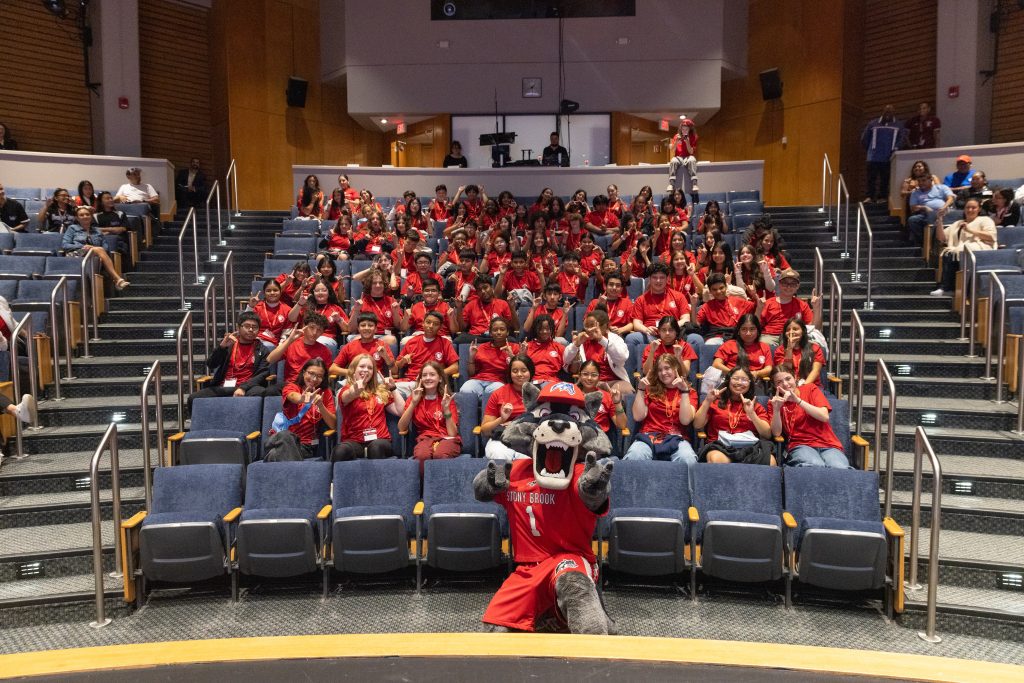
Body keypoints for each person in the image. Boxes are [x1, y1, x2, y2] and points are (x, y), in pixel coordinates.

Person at [623, 354, 698, 465]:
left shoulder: (689, 392)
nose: (663, 373)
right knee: (634, 455)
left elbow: (685, 420)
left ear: (676, 368)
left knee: (688, 459)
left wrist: (684, 392)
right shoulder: (650, 389)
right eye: (659, 370)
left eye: (667, 368)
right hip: (649, 435)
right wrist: (641, 389)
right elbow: (638, 416)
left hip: (677, 438)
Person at [769, 364, 850, 468]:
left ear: (795, 378)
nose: (785, 384)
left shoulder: (810, 389)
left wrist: (798, 401)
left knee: (839, 467)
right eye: (779, 382)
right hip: (800, 445)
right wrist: (776, 409)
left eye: (788, 379)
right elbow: (776, 433)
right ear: (775, 386)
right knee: (814, 465)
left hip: (828, 444)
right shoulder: (775, 401)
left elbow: (824, 416)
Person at [692, 366, 774, 465]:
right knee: (716, 459)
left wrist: (752, 414)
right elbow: (697, 424)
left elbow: (767, 434)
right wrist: (707, 401)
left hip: (749, 448)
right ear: (728, 381)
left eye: (744, 380)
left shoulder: (755, 406)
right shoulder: (715, 402)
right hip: (721, 447)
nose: (739, 382)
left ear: (750, 384)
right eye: (735, 379)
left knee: (771, 461)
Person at [189, 312, 271, 409]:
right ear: (238, 327)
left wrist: (243, 388)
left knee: (260, 393)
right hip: (224, 386)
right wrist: (221, 348)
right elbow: (211, 364)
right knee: (193, 398)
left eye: (255, 327)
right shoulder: (229, 345)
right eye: (247, 326)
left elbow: (263, 373)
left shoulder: (262, 350)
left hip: (248, 387)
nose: (251, 330)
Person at [334, 354, 405, 461]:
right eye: (362, 366)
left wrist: (393, 388)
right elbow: (348, 396)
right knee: (340, 451)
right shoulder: (345, 390)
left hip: (380, 440)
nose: (366, 370)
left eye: (370, 368)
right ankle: (334, 478)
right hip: (354, 441)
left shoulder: (380, 391)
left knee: (375, 448)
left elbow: (401, 411)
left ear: (373, 373)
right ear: (353, 369)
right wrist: (356, 391)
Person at [398, 361, 461, 471]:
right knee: (422, 456)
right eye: (424, 375)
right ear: (420, 379)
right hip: (425, 439)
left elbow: (452, 433)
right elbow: (401, 427)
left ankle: (439, 487)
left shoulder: (446, 399)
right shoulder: (414, 398)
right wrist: (413, 403)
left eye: (432, 374)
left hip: (447, 439)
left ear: (440, 378)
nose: (428, 378)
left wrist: (446, 409)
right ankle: (423, 487)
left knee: (440, 455)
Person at [930, 198, 997, 297]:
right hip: (960, 250)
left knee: (954, 252)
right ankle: (946, 287)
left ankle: (947, 287)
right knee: (950, 252)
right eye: (968, 207)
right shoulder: (958, 223)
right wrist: (939, 221)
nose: (970, 210)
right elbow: (941, 238)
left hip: (979, 249)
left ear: (979, 209)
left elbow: (991, 237)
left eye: (973, 208)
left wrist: (970, 230)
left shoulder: (985, 220)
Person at [564, 309, 632, 396]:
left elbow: (622, 358)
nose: (589, 330)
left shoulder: (615, 339)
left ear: (605, 327)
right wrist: (576, 344)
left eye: (593, 326)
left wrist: (601, 339)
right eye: (587, 326)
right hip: (589, 381)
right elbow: (566, 360)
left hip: (613, 381)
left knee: (627, 391)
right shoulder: (582, 340)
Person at [263, 312, 334, 394]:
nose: (314, 332)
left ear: (322, 333)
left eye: (319, 330)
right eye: (311, 327)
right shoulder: (291, 344)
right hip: (291, 384)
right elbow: (269, 359)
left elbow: (325, 376)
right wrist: (289, 340)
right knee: (270, 391)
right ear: (304, 327)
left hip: (312, 385)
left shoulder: (325, 351)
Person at [62, 206, 131, 289]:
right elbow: (65, 245)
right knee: (99, 250)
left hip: (95, 255)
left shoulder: (97, 231)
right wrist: (83, 246)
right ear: (77, 218)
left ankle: (115, 280)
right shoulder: (72, 228)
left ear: (91, 217)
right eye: (81, 215)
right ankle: (117, 279)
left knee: (99, 250)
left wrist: (92, 248)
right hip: (76, 254)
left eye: (87, 214)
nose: (85, 216)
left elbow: (105, 247)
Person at [392, 311, 459, 395]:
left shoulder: (445, 343)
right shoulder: (412, 342)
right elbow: (397, 366)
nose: (431, 326)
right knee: (385, 387)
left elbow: (455, 367)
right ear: (423, 323)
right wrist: (403, 361)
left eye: (435, 324)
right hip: (411, 381)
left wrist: (435, 373)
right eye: (428, 322)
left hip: (431, 382)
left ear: (440, 327)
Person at [482, 355, 535, 460]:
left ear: (531, 372)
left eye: (524, 370)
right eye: (515, 371)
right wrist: (501, 419)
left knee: (529, 459)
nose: (519, 374)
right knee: (499, 455)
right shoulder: (499, 393)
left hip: (528, 438)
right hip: (502, 438)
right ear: (510, 374)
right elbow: (485, 430)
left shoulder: (539, 394)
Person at [280, 359, 336, 459]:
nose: (314, 379)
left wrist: (321, 406)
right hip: (288, 440)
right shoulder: (292, 387)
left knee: (276, 453)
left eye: (319, 376)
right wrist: (301, 399)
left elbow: (333, 425)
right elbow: (292, 396)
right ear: (303, 372)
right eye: (311, 373)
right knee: (285, 438)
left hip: (307, 445)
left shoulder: (325, 392)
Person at [461, 316, 519, 405]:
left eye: (502, 329)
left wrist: (512, 357)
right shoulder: (481, 347)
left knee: (491, 392)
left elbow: (517, 373)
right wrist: (471, 357)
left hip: (498, 382)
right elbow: (471, 373)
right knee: (465, 389)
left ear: (507, 332)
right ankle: (468, 418)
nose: (498, 332)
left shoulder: (514, 347)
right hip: (478, 380)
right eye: (495, 330)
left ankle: (488, 418)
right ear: (491, 333)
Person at [696, 273, 761, 348]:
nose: (718, 291)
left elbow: (757, 307)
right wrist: (694, 304)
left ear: (726, 287)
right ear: (710, 291)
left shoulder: (739, 301)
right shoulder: (706, 306)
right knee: (709, 344)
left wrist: (754, 295)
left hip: (738, 336)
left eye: (721, 288)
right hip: (717, 337)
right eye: (714, 289)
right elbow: (696, 324)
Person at [576, 359, 627, 453]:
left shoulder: (606, 396)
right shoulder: (573, 394)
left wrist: (617, 402)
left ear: (599, 377)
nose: (589, 378)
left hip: (599, 440)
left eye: (594, 375)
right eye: (585, 374)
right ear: (579, 375)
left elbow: (622, 425)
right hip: (576, 438)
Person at [759, 267, 820, 345]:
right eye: (785, 283)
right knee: (762, 345)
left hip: (794, 336)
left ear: (797, 286)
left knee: (814, 346)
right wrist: (759, 308)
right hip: (770, 336)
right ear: (779, 284)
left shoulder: (802, 305)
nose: (788, 287)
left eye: (793, 284)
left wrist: (816, 308)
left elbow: (814, 328)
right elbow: (757, 325)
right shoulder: (768, 303)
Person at [712, 314, 773, 387]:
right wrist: (736, 375)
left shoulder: (764, 347)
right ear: (738, 331)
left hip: (755, 383)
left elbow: (769, 369)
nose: (748, 333)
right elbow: (716, 364)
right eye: (744, 329)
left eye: (752, 329)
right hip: (732, 383)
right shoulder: (729, 345)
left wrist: (756, 373)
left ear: (758, 331)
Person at [860, 105, 905, 204]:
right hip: (873, 157)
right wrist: (871, 149)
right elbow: (864, 139)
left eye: (890, 111)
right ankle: (870, 197)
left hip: (888, 158)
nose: (888, 113)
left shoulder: (898, 125)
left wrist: (895, 149)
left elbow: (901, 139)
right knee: (871, 178)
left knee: (885, 179)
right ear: (883, 111)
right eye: (886, 111)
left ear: (894, 112)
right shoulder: (873, 123)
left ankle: (882, 197)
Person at [331, 312, 396, 379]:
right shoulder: (349, 346)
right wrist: (353, 372)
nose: (366, 328)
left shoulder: (382, 345)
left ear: (376, 329)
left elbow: (395, 371)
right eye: (363, 325)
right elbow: (332, 369)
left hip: (376, 381)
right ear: (358, 329)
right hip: (354, 380)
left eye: (370, 325)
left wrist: (386, 357)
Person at [774, 317, 826, 389]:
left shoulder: (815, 348)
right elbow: (785, 371)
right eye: (788, 330)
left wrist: (803, 387)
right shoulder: (780, 350)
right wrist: (789, 349)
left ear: (803, 331)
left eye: (795, 329)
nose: (791, 332)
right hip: (789, 387)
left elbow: (816, 371)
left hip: (811, 386)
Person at [906, 174, 954, 246]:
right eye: (919, 181)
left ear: (931, 180)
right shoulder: (915, 193)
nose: (921, 183)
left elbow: (951, 199)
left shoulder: (941, 188)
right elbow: (913, 207)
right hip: (926, 214)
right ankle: (924, 243)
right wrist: (924, 208)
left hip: (944, 212)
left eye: (923, 180)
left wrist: (944, 207)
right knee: (912, 220)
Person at [247, 279, 292, 351]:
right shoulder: (258, 307)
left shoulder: (287, 310)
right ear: (264, 293)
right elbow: (246, 323)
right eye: (268, 291)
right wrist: (250, 307)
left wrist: (280, 348)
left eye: (275, 290)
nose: (272, 293)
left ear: (280, 292)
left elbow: (286, 332)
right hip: (256, 340)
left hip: (276, 345)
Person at [523, 314, 567, 383]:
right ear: (536, 329)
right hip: (532, 381)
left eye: (547, 328)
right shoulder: (527, 346)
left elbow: (572, 369)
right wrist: (522, 354)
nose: (544, 331)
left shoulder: (559, 347)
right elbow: (521, 368)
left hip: (553, 382)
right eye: (541, 329)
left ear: (552, 329)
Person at [666, 118, 700, 204]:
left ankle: (694, 184)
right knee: (673, 161)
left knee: (692, 160)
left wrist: (687, 142)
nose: (684, 130)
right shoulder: (676, 136)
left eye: (686, 129)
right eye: (683, 128)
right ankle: (671, 183)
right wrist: (676, 142)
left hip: (688, 156)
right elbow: (672, 150)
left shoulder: (693, 137)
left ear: (689, 129)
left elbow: (691, 152)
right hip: (678, 157)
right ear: (681, 128)